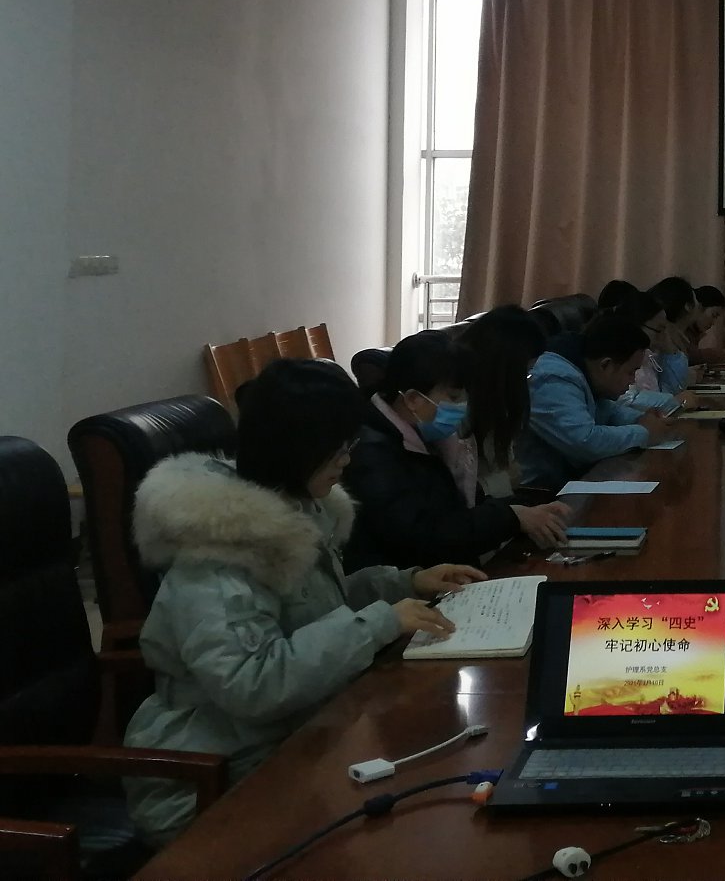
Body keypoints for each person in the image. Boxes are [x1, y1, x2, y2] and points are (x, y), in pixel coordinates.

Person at [122, 360, 483, 846]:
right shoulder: (215, 554)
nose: (348, 460)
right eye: (340, 448)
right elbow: (252, 684)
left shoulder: (288, 505)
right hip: (210, 774)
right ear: (299, 447)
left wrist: (406, 582)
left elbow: (312, 605)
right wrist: (377, 623)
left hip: (292, 735)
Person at [341, 330, 571, 569]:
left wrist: (523, 511)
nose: (462, 406)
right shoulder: (371, 453)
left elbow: (458, 508)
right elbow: (424, 537)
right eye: (453, 397)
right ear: (412, 399)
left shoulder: (426, 436)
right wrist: (511, 517)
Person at [517, 315, 675, 491]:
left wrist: (640, 419)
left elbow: (607, 411)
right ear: (606, 365)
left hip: (570, 480)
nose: (632, 381)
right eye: (631, 372)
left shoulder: (584, 367)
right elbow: (585, 441)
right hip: (539, 493)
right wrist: (644, 432)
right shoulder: (552, 378)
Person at [459, 304, 549, 498]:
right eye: (525, 372)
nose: (527, 381)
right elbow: (454, 493)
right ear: (505, 369)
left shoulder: (492, 400)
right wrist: (502, 481)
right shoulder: (455, 405)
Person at [690, 284, 725, 364]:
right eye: (714, 315)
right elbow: (689, 356)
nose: (713, 323)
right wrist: (723, 354)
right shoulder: (681, 328)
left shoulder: (694, 333)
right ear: (699, 307)